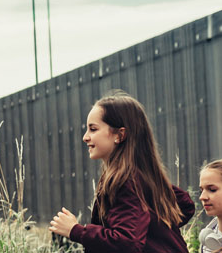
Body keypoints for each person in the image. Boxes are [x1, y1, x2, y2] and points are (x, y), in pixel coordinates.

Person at [47, 91, 194, 253]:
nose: (85, 137)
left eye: (93, 129)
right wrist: (153, 233)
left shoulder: (126, 181)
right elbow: (185, 206)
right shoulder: (141, 177)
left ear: (120, 135)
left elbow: (127, 243)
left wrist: (75, 230)